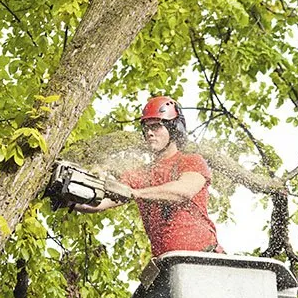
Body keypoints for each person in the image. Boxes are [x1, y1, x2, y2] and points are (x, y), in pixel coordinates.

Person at [73, 96, 224, 256]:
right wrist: (71, 197)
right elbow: (100, 202)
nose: (150, 133)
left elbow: (183, 191)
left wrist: (137, 193)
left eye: (156, 126)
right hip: (167, 264)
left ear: (174, 129)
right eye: (146, 128)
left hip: (204, 258)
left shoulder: (190, 161)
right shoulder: (140, 175)